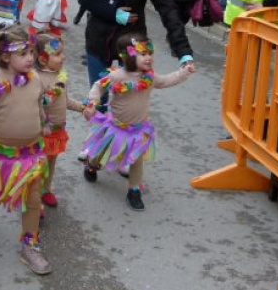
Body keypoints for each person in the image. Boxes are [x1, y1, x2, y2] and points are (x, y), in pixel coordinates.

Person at [79, 32, 196, 210]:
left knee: (136, 160)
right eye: (142, 54)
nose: (148, 57)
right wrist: (92, 102)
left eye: (150, 53)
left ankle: (134, 191)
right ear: (127, 56)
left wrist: (184, 72)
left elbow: (165, 81)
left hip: (138, 130)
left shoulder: (148, 77)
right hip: (116, 128)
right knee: (101, 155)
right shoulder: (117, 76)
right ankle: (91, 166)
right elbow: (98, 86)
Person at [0, 26, 51, 275]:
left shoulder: (35, 78)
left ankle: (30, 245)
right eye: (23, 53)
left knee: (33, 199)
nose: (30, 58)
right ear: (5, 56)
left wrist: (44, 122)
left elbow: (38, 105)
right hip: (2, 156)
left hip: (32, 154)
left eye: (32, 52)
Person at [33, 33, 86, 209]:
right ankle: (34, 201)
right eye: (58, 54)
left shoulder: (59, 76)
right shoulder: (36, 80)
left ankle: (46, 190)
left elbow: (65, 100)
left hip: (57, 131)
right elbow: (34, 106)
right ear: (42, 59)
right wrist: (42, 125)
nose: (63, 57)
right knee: (37, 167)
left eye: (62, 53)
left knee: (51, 163)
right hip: (41, 132)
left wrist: (83, 108)